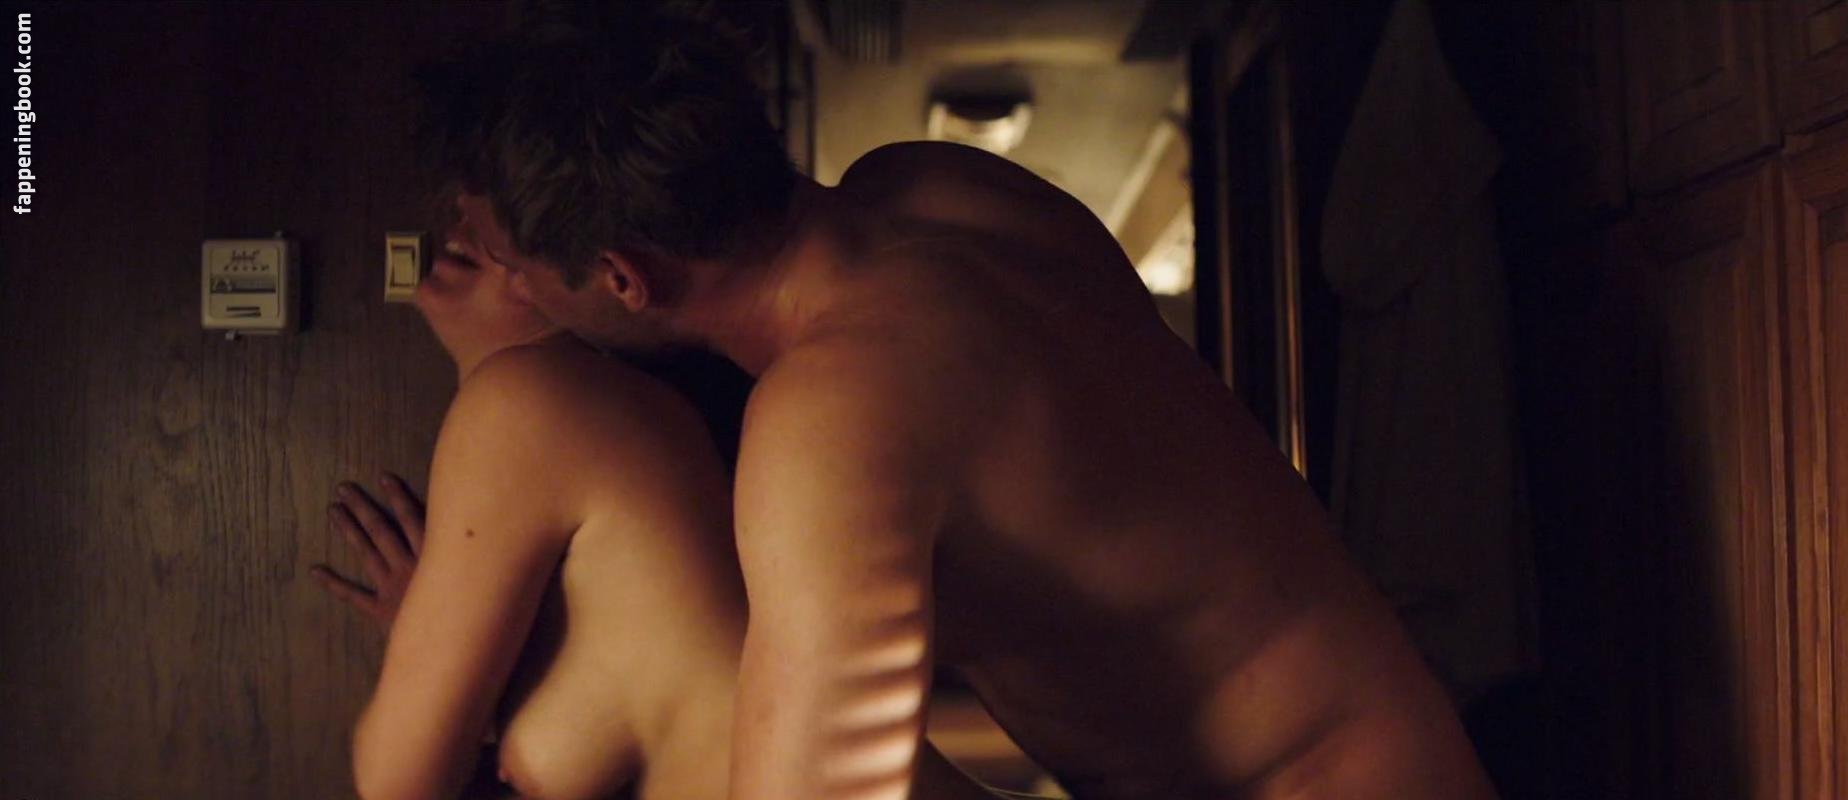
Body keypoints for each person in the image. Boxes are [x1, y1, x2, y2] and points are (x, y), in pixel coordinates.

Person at [421, 7, 1499, 800]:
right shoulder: (936, 189)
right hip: (1391, 739)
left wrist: (506, 393)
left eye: (515, 267)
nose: (509, 289)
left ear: (622, 276)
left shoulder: (833, 412)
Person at [307, 202, 996, 800]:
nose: (468, 231)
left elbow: (396, 784)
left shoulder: (529, 402)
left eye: (506, 235)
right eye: (470, 213)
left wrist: (425, 648)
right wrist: (443, 640)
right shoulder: (582, 426)